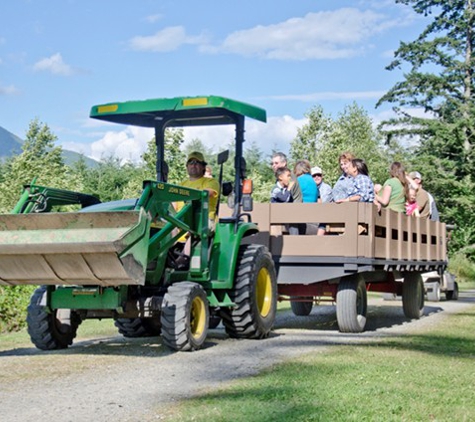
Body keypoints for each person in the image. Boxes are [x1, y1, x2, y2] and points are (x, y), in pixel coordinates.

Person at [271, 167, 299, 235]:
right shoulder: (276, 189)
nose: (290, 178)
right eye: (288, 176)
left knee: (294, 224)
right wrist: (289, 189)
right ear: (280, 177)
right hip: (277, 216)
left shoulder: (285, 189)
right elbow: (284, 199)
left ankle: (295, 241)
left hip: (286, 215)